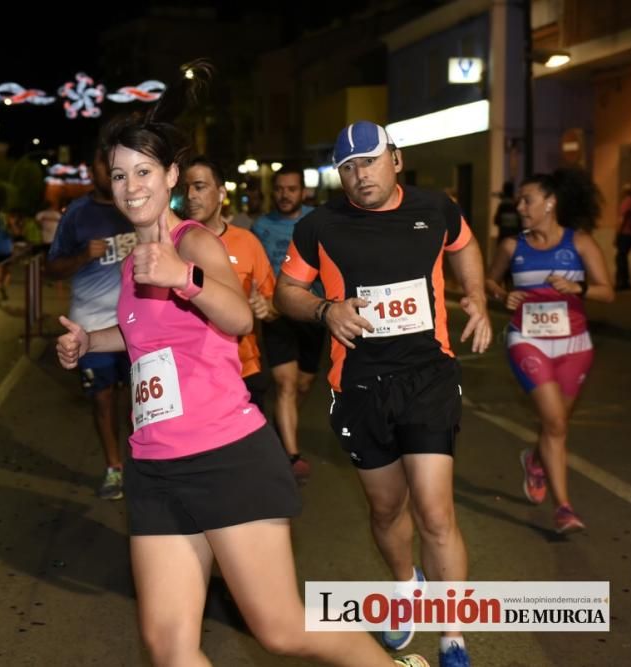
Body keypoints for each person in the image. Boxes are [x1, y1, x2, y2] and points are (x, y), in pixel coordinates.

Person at [56, 67, 429, 667]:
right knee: (170, 647)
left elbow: (236, 318)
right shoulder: (134, 261)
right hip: (154, 467)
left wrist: (184, 279)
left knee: (280, 630)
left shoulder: (195, 245)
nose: (130, 187)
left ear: (171, 176)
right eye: (120, 175)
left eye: (144, 172)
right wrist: (89, 340)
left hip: (224, 456)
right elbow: (144, 340)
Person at [275, 121, 492, 667]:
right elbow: (287, 292)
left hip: (428, 377)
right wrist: (327, 310)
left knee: (435, 511)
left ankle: (452, 638)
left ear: (395, 159)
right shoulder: (319, 226)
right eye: (347, 167)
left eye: (368, 162)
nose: (358, 175)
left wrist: (478, 299)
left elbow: (464, 245)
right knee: (385, 509)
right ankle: (406, 584)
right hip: (360, 388)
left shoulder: (435, 208)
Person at [485, 167, 614, 534]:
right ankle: (564, 508)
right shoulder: (513, 246)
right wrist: (501, 293)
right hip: (528, 340)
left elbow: (607, 291)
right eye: (519, 200)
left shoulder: (580, 243)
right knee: (555, 424)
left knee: (556, 423)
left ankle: (535, 460)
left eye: (528, 200)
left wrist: (579, 289)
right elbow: (489, 280)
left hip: (575, 346)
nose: (520, 207)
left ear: (550, 202)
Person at [46, 148, 135, 500]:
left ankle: (143, 464)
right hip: (92, 326)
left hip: (136, 325)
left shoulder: (134, 205)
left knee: (143, 401)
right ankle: (115, 467)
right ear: (91, 168)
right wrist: (83, 256)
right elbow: (51, 267)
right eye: (104, 164)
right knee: (102, 400)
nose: (111, 170)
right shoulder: (77, 216)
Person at [185, 155, 276, 412]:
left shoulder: (247, 242)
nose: (191, 195)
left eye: (200, 187)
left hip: (243, 369)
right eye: (186, 187)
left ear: (221, 192)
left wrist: (265, 308)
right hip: (191, 373)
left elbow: (273, 304)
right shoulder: (172, 245)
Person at [252, 166, 326, 480]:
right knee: (285, 383)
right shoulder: (262, 226)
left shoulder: (317, 222)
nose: (285, 195)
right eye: (280, 189)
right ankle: (292, 456)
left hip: (312, 313)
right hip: (276, 314)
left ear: (303, 191)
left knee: (303, 384)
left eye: (291, 189)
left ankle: (284, 429)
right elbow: (253, 271)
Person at [615, 183, 631, 290]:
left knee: (620, 258)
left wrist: (617, 234)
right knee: (623, 257)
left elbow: (623, 219)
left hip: (625, 233)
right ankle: (625, 282)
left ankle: (622, 283)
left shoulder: (627, 202)